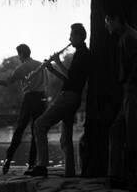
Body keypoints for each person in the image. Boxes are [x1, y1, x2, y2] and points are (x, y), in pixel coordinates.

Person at [30, 23, 91, 178]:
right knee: (66, 138)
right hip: (73, 97)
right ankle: (69, 172)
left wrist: (57, 61)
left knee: (39, 125)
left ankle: (42, 165)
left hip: (68, 98)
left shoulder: (83, 54)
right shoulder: (81, 53)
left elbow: (71, 77)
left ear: (78, 36)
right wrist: (52, 70)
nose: (69, 39)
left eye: (71, 35)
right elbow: (70, 79)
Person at [104, 7, 137, 191]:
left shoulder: (129, 37)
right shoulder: (126, 36)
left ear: (115, 19)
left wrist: (131, 83)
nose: (106, 25)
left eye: (107, 20)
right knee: (117, 130)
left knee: (135, 135)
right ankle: (117, 175)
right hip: (130, 89)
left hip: (134, 89)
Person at [0, 44, 47, 174]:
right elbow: (47, 83)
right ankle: (32, 164)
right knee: (37, 131)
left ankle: (8, 159)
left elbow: (7, 82)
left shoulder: (21, 68)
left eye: (19, 55)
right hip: (42, 99)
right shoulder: (42, 65)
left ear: (21, 54)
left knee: (20, 129)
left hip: (30, 99)